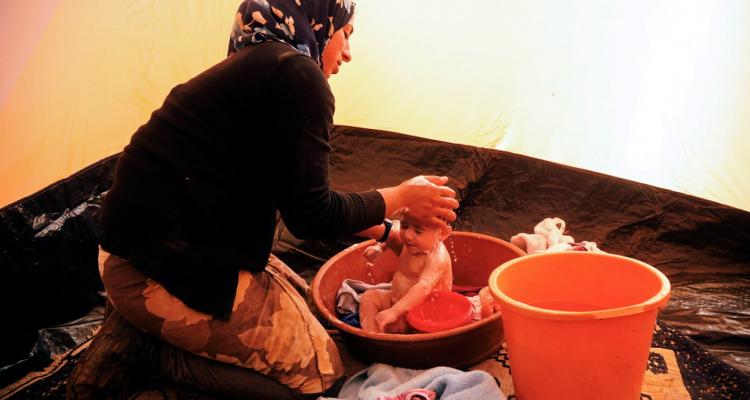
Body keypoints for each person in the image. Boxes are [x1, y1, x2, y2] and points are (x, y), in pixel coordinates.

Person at [70, 1, 459, 399]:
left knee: (308, 305)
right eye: (346, 33)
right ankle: (159, 356)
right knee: (321, 378)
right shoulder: (299, 76)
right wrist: (402, 197)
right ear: (319, 20)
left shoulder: (260, 68)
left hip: (135, 250)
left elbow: (298, 194)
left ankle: (153, 330)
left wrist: (390, 233)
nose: (347, 53)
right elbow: (312, 216)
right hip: (156, 272)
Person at [359, 217, 452, 333]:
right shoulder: (410, 242)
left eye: (418, 231)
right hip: (396, 301)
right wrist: (379, 248)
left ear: (442, 233)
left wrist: (395, 311)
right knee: (369, 297)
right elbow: (393, 232)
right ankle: (373, 336)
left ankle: (392, 335)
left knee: (396, 325)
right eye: (404, 226)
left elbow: (423, 287)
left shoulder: (436, 258)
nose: (407, 235)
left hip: (425, 313)